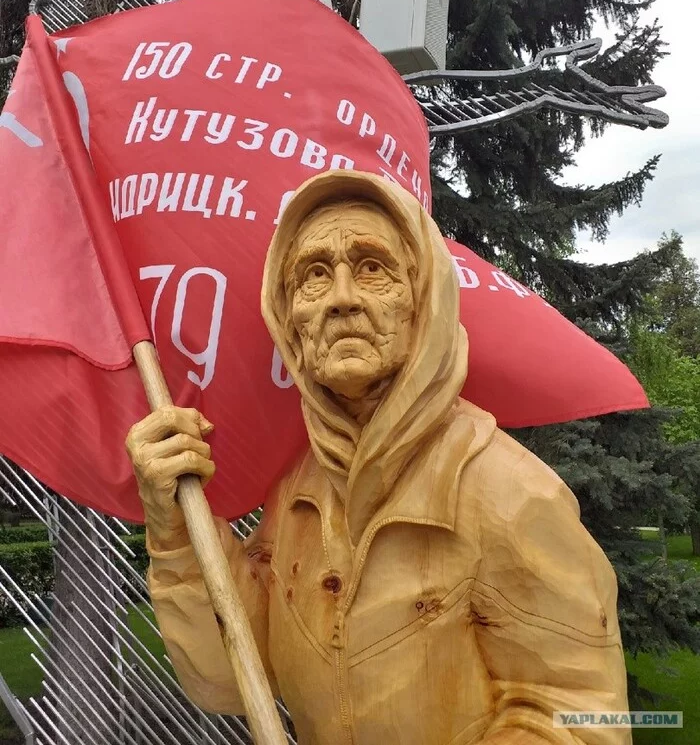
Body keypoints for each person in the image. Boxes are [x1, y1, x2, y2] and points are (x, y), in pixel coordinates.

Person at [127, 170, 631, 744]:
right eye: (314, 276)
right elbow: (232, 675)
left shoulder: (511, 493)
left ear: (423, 299)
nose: (343, 299)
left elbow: (582, 719)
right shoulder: (296, 495)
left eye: (372, 268)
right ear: (287, 317)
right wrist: (175, 530)